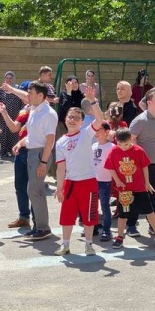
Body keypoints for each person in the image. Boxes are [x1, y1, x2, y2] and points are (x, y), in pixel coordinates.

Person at [53, 87, 103, 256]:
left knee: (89, 216)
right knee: (66, 216)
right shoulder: (60, 142)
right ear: (65, 119)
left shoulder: (86, 134)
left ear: (82, 122)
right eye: (70, 117)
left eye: (76, 118)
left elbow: (100, 119)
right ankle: (65, 245)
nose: (72, 120)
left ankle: (89, 245)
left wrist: (92, 100)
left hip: (88, 182)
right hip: (70, 183)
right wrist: (59, 188)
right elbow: (61, 168)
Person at [104, 128, 155, 249]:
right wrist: (117, 180)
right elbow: (110, 167)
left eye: (126, 144)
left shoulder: (138, 150)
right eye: (120, 144)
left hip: (139, 188)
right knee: (123, 214)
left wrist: (147, 182)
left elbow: (144, 166)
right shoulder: (114, 151)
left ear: (131, 139)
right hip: (124, 190)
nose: (123, 147)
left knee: (149, 211)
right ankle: (120, 236)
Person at [12, 81, 58, 241]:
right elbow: (32, 136)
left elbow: (50, 140)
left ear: (40, 95)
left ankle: (43, 228)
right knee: (36, 191)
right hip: (32, 152)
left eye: (31, 93)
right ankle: (39, 226)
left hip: (40, 154)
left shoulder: (48, 113)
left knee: (34, 191)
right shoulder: (34, 110)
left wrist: (43, 163)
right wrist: (20, 143)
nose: (28, 96)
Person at [129, 88, 155, 229]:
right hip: (141, 167)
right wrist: (137, 162)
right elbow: (130, 141)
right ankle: (131, 225)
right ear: (149, 102)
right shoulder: (140, 120)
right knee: (137, 196)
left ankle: (153, 224)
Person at [0, 97, 33, 229]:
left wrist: (11, 89)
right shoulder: (24, 110)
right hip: (21, 150)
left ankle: (38, 221)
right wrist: (4, 112)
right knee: (20, 187)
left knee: (34, 188)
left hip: (34, 151)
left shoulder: (41, 108)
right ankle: (24, 217)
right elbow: (14, 128)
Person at [92, 122, 114, 241]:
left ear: (106, 132)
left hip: (105, 181)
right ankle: (93, 227)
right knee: (92, 206)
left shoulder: (112, 147)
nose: (96, 131)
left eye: (99, 129)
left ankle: (106, 230)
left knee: (105, 206)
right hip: (93, 180)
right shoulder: (93, 146)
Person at [0, 71, 24, 157]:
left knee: (14, 133)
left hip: (15, 113)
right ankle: (4, 152)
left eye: (11, 78)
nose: (9, 80)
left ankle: (13, 151)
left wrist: (22, 112)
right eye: (7, 78)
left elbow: (22, 101)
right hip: (4, 114)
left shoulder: (17, 88)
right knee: (4, 133)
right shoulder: (1, 89)